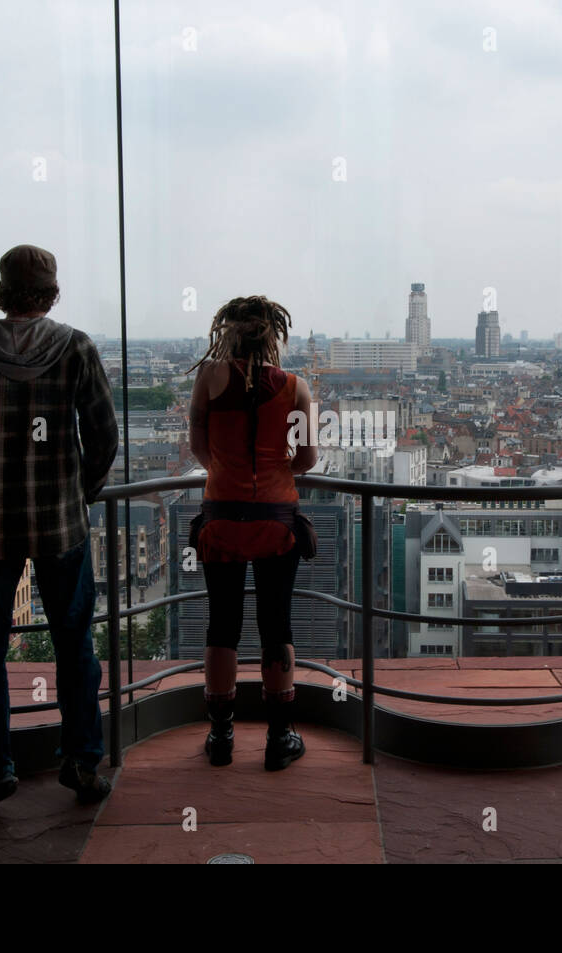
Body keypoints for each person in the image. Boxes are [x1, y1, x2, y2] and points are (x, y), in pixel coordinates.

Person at [0, 244, 120, 818]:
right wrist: (79, 489)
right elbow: (105, 436)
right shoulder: (76, 348)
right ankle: (82, 763)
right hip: (60, 522)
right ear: (52, 294)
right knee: (75, 645)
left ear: (1, 290)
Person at [187, 295, 317, 770]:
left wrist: (228, 471)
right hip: (276, 520)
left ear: (227, 335)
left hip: (221, 516)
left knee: (222, 626)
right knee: (275, 625)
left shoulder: (208, 378)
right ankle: (278, 739)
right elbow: (306, 460)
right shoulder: (296, 388)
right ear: (273, 336)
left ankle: (221, 736)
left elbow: (199, 447)